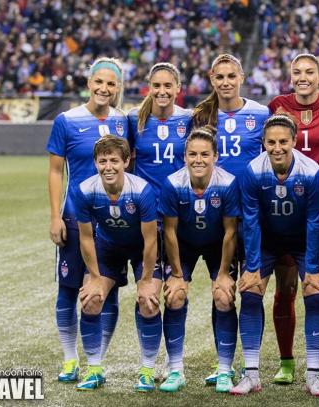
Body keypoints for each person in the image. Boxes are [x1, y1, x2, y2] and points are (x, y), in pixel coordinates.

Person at [232, 113, 319, 396]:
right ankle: (251, 375)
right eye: (271, 142)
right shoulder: (252, 171)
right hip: (267, 241)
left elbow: (315, 221)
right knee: (250, 293)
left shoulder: (310, 172)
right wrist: (251, 267)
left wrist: (311, 268)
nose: (277, 148)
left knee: (315, 294)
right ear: (263, 142)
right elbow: (250, 220)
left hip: (301, 240)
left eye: (283, 142)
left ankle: (313, 375)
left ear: (294, 141)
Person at [267, 53, 319, 383]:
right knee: (284, 286)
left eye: (309, 71)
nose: (303, 77)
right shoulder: (277, 105)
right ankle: (286, 362)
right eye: (297, 71)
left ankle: (315, 363)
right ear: (290, 76)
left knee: (317, 286)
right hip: (285, 212)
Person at [46, 57, 127, 384]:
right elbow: (55, 170)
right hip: (74, 216)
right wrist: (55, 216)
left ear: (117, 88)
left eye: (111, 83)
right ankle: (69, 360)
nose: (104, 88)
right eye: (99, 82)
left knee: (108, 290)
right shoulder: (66, 120)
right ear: (89, 83)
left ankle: (97, 361)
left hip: (114, 221)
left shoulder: (123, 121)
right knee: (68, 290)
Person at [193, 53, 270, 385]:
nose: (225, 82)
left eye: (231, 76)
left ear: (242, 77)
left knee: (251, 290)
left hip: (252, 217)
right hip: (214, 218)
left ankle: (250, 365)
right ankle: (224, 364)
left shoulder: (260, 113)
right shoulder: (201, 116)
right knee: (221, 290)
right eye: (219, 77)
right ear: (212, 79)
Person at [72, 135, 160, 391]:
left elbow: (151, 240)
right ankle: (95, 368)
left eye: (114, 160)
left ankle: (146, 370)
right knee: (90, 299)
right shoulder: (85, 190)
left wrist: (145, 281)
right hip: (108, 247)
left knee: (149, 301)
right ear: (95, 163)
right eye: (102, 161)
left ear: (126, 161)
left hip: (141, 248)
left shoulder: (141, 190)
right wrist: (95, 275)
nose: (108, 167)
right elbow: (87, 239)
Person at [127, 62, 193, 392]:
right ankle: (147, 367)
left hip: (179, 219)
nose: (162, 91)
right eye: (156, 85)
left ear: (178, 87)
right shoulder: (133, 122)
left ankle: (176, 367)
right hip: (145, 221)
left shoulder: (188, 119)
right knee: (148, 294)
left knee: (177, 294)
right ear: (149, 87)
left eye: (168, 85)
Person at [160, 126, 241, 393]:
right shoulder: (173, 184)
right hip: (182, 244)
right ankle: (175, 370)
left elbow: (231, 232)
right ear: (185, 156)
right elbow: (169, 231)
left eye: (205, 154)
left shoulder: (228, 183)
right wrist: (176, 275)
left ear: (215, 156)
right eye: (193, 154)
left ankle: (225, 370)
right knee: (174, 296)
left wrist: (224, 274)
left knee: (223, 296)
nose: (198, 160)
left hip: (219, 244)